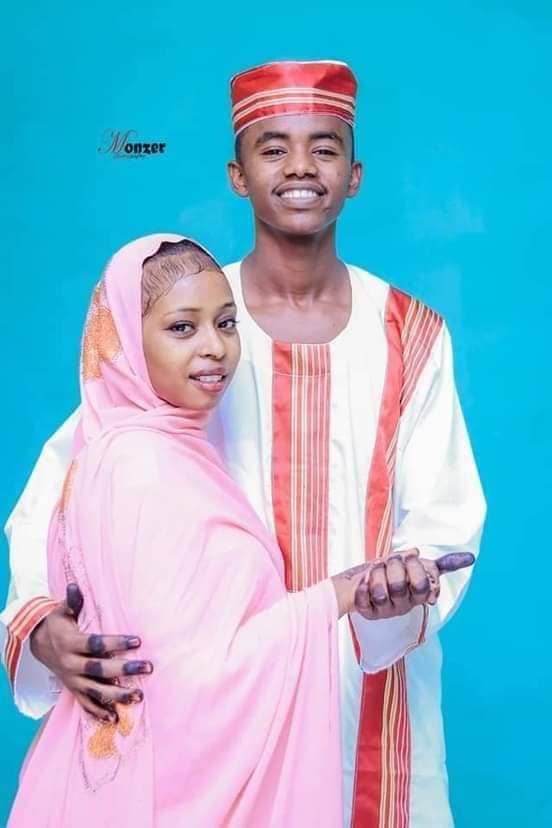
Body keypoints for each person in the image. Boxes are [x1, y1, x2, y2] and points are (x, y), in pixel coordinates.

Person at [2, 62, 486, 827]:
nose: (300, 168)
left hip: (369, 703)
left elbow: (445, 516)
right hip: (202, 733)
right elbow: (74, 480)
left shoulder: (411, 334)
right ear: (237, 175)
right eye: (273, 149)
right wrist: (40, 625)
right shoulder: (183, 315)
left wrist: (401, 586)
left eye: (324, 148)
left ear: (356, 175)